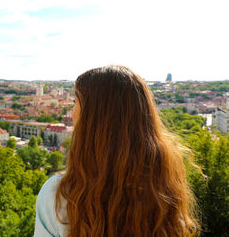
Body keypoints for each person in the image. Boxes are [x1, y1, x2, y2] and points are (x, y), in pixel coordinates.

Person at [34, 66, 200, 237]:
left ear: (91, 118)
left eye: (76, 102)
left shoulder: (58, 194)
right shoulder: (163, 189)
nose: (72, 111)